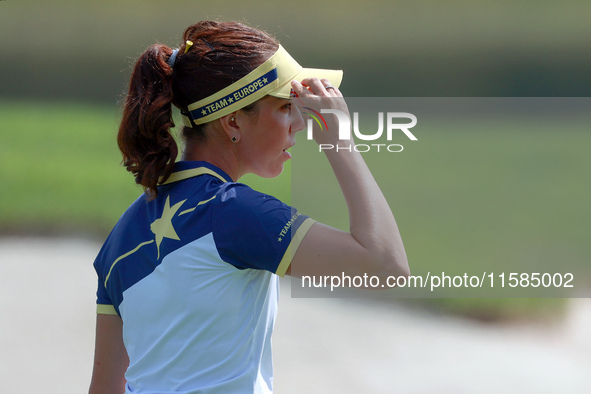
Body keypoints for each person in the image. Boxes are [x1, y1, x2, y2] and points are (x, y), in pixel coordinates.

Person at [90, 20, 409, 394]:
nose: (301, 124)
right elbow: (386, 266)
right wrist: (340, 141)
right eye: (287, 107)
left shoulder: (123, 234)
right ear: (233, 121)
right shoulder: (234, 212)